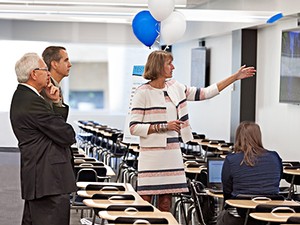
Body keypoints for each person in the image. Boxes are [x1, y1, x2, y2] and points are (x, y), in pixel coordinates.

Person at [129, 50, 256, 212]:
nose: (173, 67)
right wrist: (164, 126)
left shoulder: (176, 87)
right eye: (169, 64)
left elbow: (206, 93)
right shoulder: (143, 92)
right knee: (144, 202)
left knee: (166, 203)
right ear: (159, 66)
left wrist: (235, 77)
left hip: (171, 154)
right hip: (151, 155)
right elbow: (133, 128)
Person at [10, 52, 77, 225]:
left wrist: (56, 104)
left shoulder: (27, 97)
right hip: (48, 180)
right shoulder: (31, 101)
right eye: (45, 69)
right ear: (34, 74)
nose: (48, 74)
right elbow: (66, 134)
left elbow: (56, 129)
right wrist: (55, 109)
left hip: (42, 177)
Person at [216, 121, 282, 225]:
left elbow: (227, 191)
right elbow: (277, 181)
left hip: (239, 216)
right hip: (270, 216)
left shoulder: (231, 160)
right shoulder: (274, 157)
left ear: (238, 137)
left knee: (221, 217)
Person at [41, 46, 72, 120]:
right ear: (54, 64)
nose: (70, 64)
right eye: (66, 60)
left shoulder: (56, 86)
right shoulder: (47, 88)